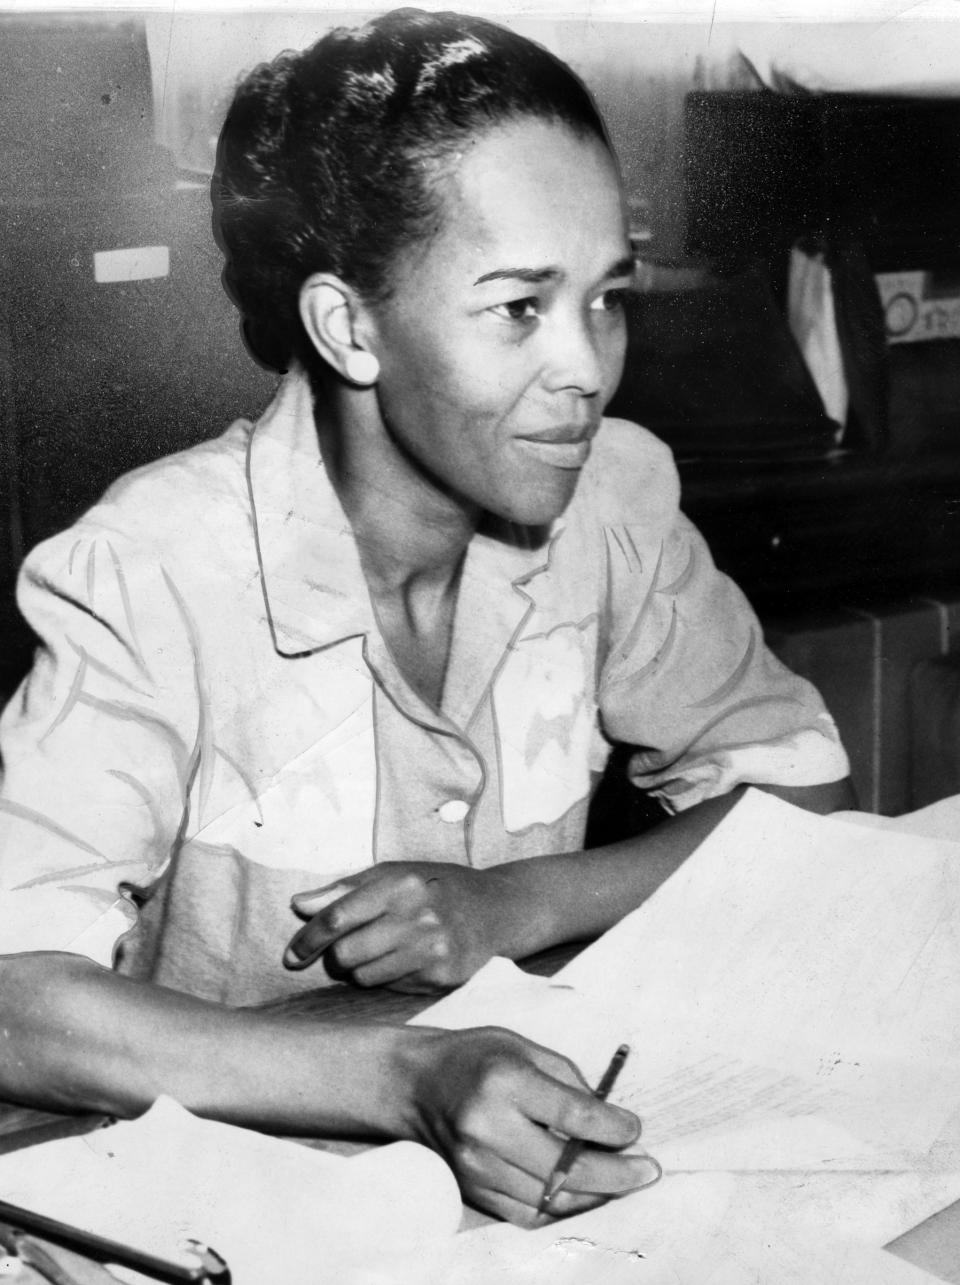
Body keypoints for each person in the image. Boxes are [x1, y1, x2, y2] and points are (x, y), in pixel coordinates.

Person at [0, 8, 855, 1225]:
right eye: (519, 307)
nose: (587, 369)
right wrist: (408, 1078)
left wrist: (515, 904)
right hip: (217, 1201)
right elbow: (14, 995)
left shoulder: (610, 495)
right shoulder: (150, 566)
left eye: (607, 297)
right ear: (350, 326)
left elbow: (802, 785)